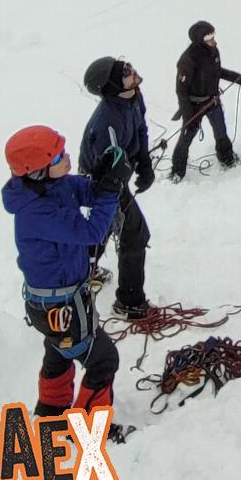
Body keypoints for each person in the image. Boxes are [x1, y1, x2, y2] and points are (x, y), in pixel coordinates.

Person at [1, 124, 130, 420]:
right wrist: (111, 192)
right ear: (37, 172)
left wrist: (102, 178)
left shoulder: (52, 185)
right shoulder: (36, 212)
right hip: (60, 306)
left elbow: (85, 191)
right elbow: (92, 232)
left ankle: (51, 411)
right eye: (58, 157)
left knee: (59, 353)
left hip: (53, 303)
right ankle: (86, 429)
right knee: (103, 360)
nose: (67, 158)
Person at [78, 57, 155, 320]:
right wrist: (117, 186)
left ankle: (81, 272)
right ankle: (129, 302)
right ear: (112, 86)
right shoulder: (107, 123)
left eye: (128, 66)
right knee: (134, 233)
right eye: (125, 72)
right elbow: (109, 166)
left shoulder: (134, 96)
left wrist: (144, 164)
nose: (132, 71)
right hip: (102, 181)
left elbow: (141, 128)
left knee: (104, 227)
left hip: (119, 172)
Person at [170, 21, 241, 183]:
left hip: (212, 101)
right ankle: (177, 172)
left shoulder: (213, 51)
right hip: (193, 106)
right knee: (186, 138)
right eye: (209, 38)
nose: (214, 40)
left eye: (213, 36)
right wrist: (188, 114)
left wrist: (237, 78)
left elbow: (217, 71)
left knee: (221, 131)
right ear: (199, 40)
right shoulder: (187, 60)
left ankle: (227, 159)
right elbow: (181, 90)